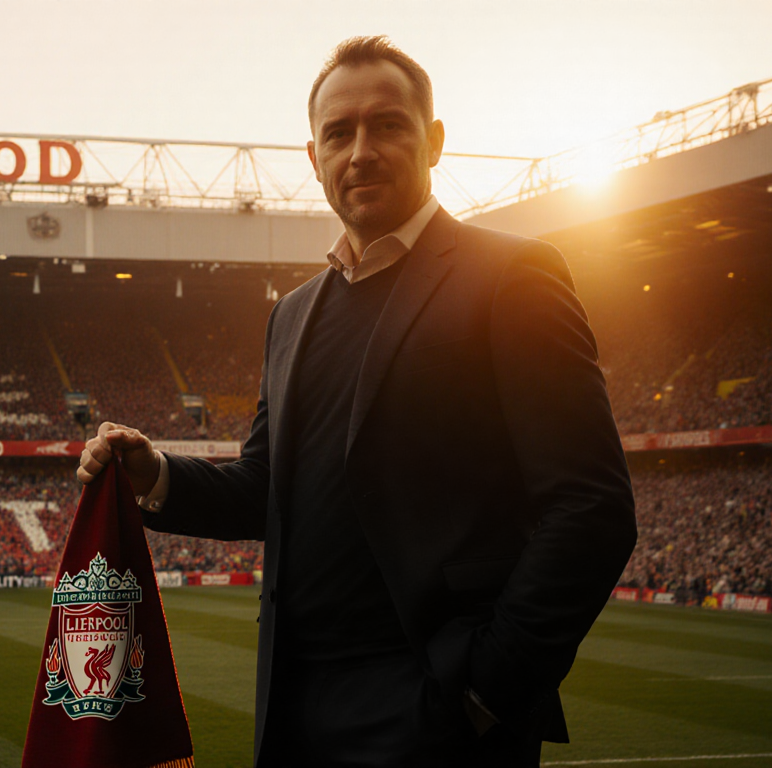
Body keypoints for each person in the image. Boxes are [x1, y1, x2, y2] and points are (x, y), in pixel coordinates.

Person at [78, 35, 637, 767]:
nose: (361, 152)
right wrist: (155, 473)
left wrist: (487, 691)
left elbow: (592, 506)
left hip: (440, 714)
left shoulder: (513, 275)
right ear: (314, 157)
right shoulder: (292, 315)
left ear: (434, 141)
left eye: (388, 125)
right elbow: (267, 489)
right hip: (298, 709)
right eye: (339, 133)